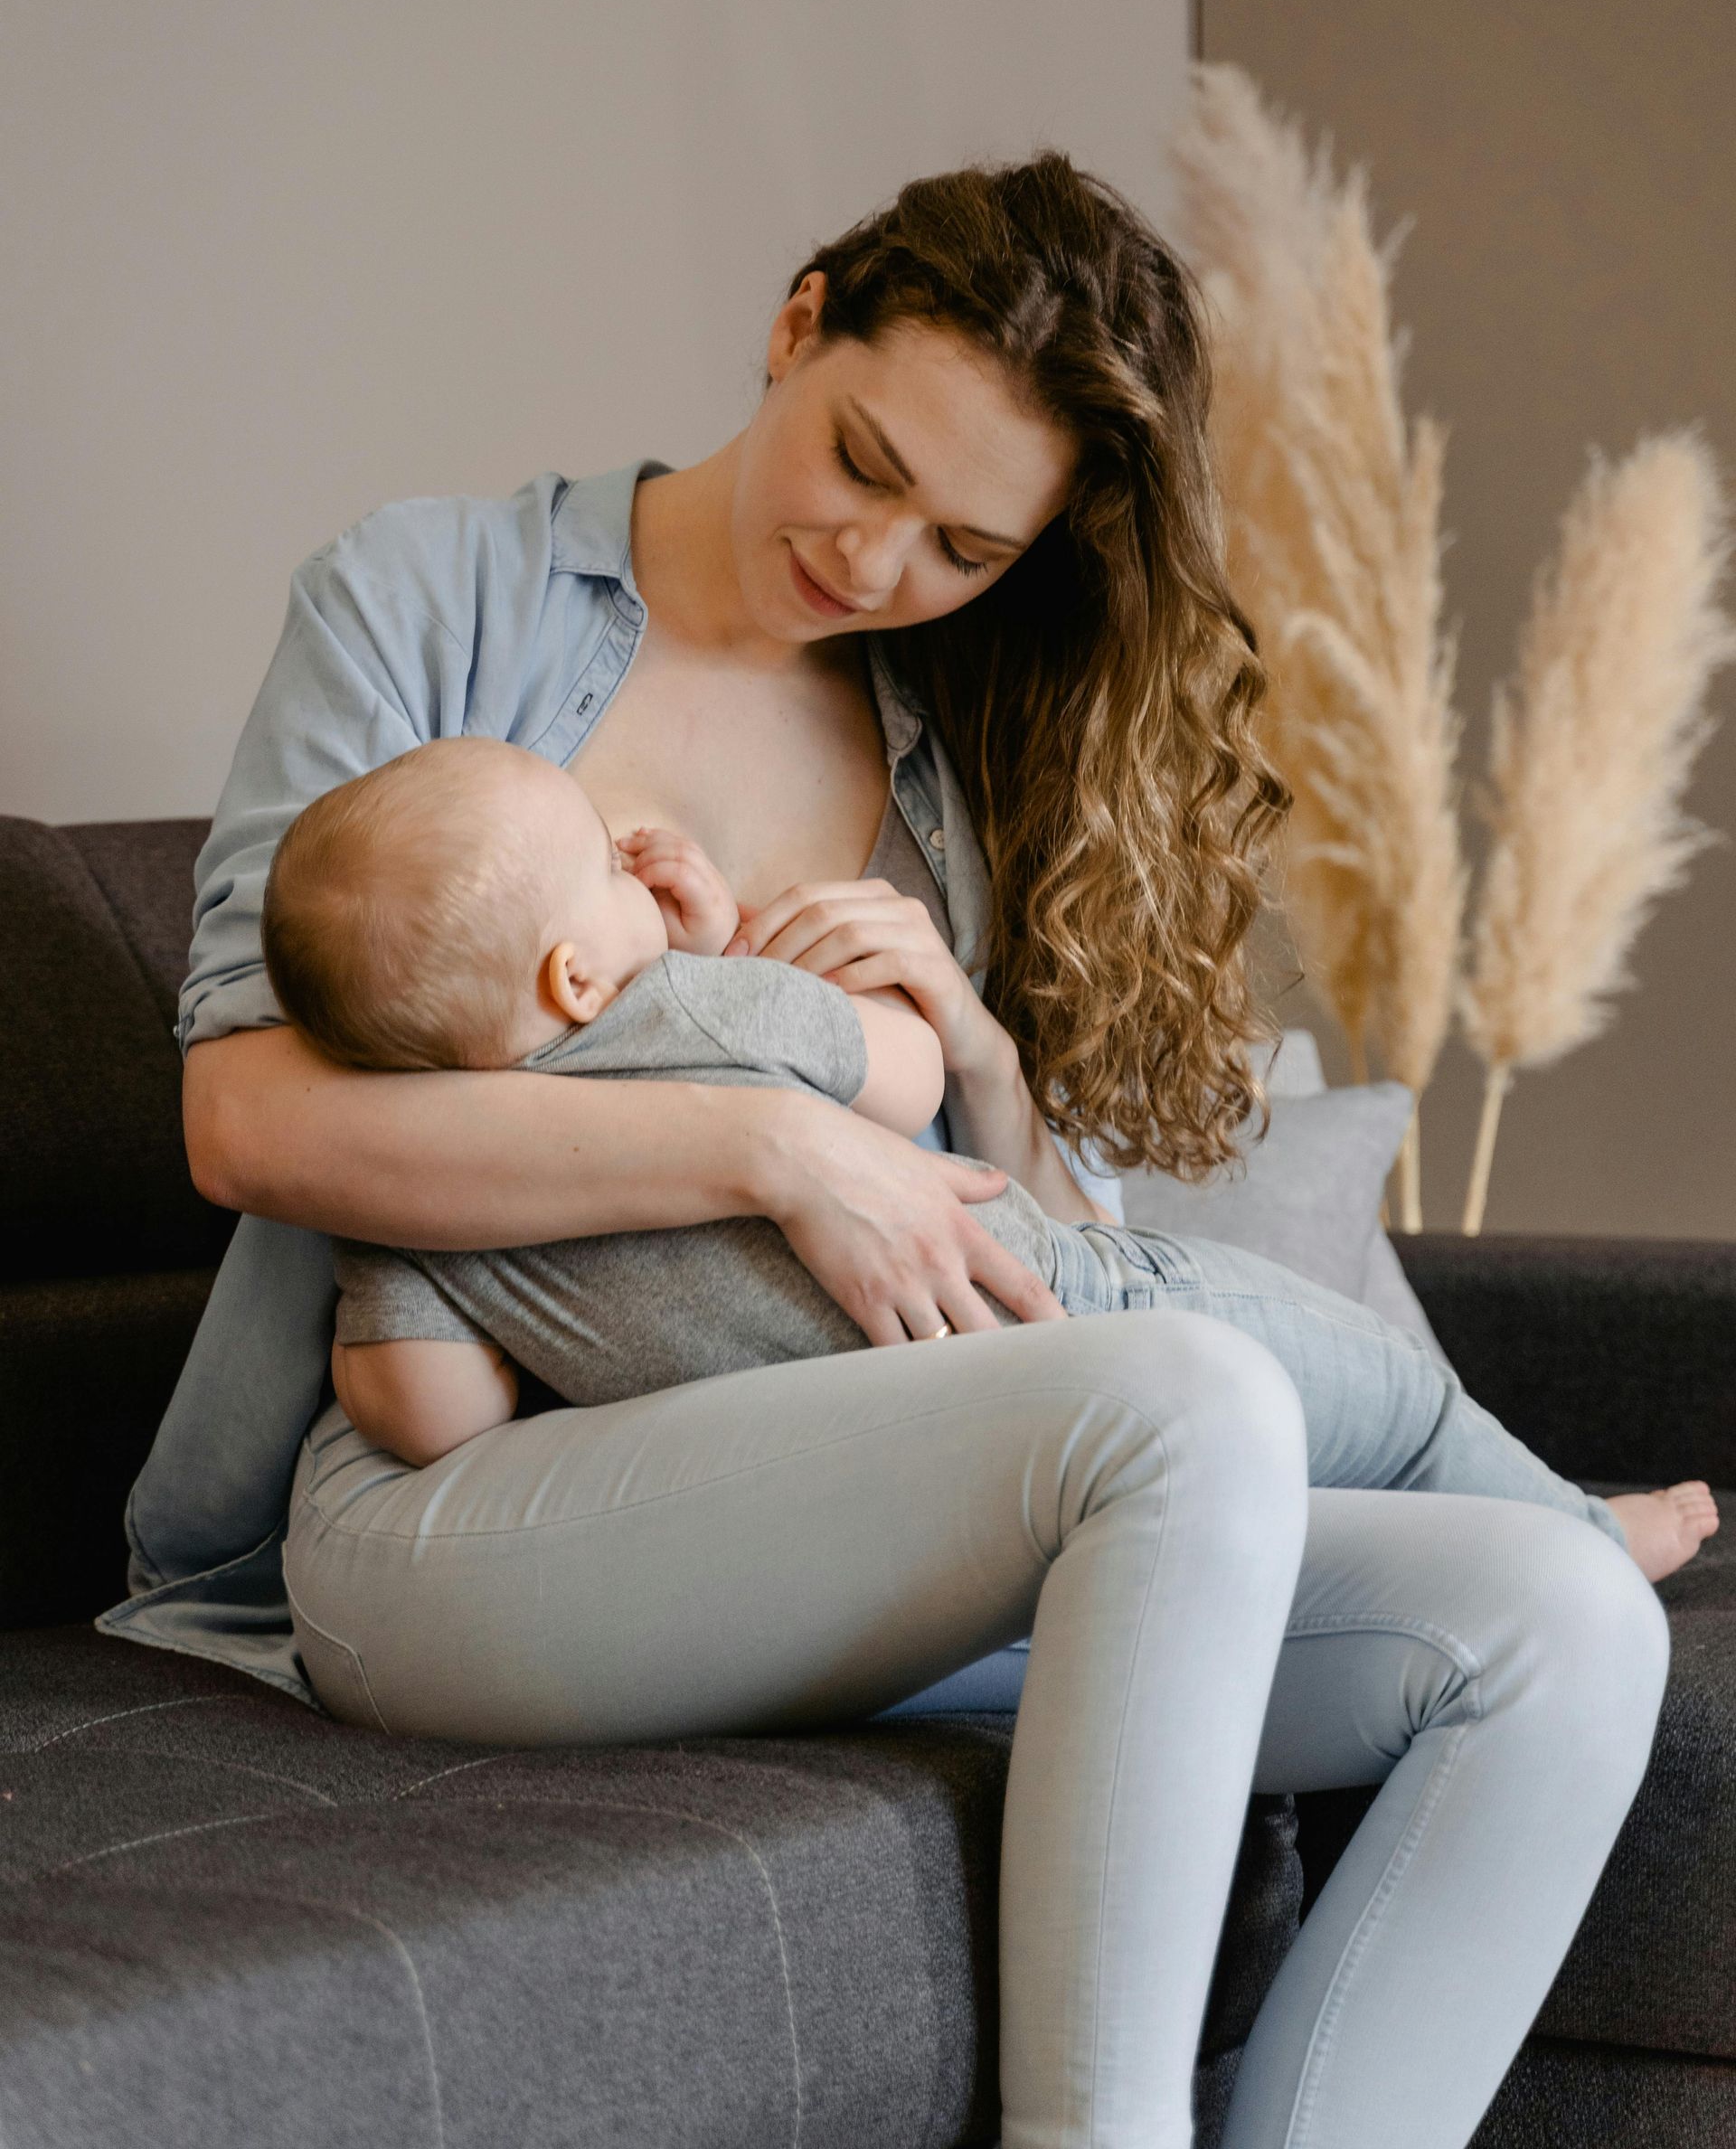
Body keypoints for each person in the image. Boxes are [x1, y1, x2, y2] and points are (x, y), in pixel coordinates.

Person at [105, 153, 1683, 2149]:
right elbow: (248, 1119)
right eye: (861, 460)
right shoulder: (436, 600)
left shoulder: (950, 746)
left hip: (862, 1479)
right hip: (462, 1498)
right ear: (797, 324)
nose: (875, 564)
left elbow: (1033, 1260)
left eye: (961, 542)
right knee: (1189, 1393)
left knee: (1559, 1630)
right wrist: (773, 1141)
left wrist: (981, 1070)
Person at [261, 734, 1711, 1599]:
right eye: (604, 858)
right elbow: (896, 1075)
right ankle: (1575, 1534)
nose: (638, 859)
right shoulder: (676, 1007)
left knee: (1263, 1494)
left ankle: (1487, 1553)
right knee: (1387, 1395)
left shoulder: (424, 1208)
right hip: (1066, 1305)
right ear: (581, 974)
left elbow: (426, 1414)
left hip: (889, 1464)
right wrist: (716, 952)